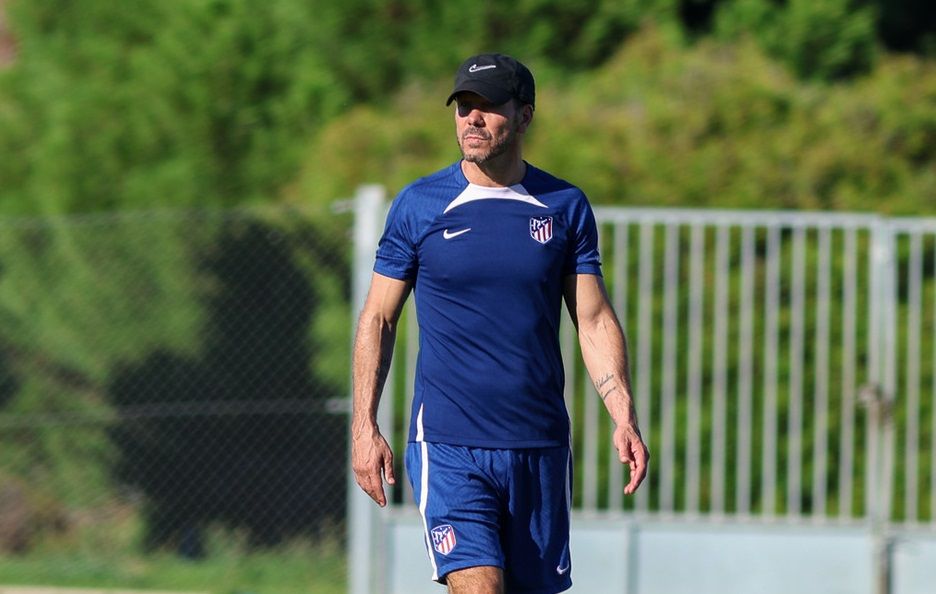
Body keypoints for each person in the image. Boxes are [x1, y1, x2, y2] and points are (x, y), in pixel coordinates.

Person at [351, 53, 649, 594]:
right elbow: (377, 318)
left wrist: (623, 414)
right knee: (480, 586)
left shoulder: (564, 206)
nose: (473, 119)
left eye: (488, 108)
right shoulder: (420, 206)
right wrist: (364, 425)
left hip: (539, 444)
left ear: (526, 115)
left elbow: (593, 317)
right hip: (448, 441)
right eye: (465, 107)